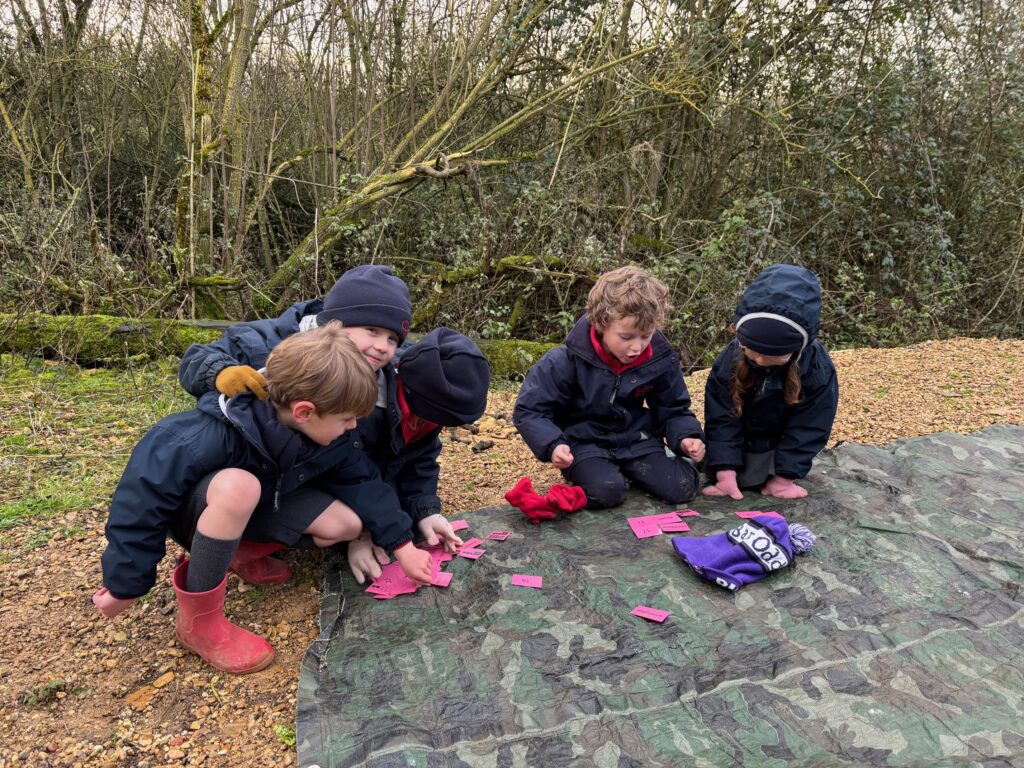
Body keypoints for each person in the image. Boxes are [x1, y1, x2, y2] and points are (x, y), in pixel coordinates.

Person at [92, 323, 434, 674]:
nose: (351, 428)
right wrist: (126, 582)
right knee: (239, 486)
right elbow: (141, 503)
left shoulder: (326, 432)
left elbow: (365, 484)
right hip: (200, 514)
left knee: (345, 523)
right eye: (347, 419)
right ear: (304, 411)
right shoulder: (200, 436)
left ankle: (235, 551)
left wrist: (404, 546)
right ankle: (200, 624)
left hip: (260, 502)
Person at [177, 264, 484, 582]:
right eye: (373, 331)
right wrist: (221, 372)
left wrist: (423, 511)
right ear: (336, 321)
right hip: (237, 474)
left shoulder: (389, 370)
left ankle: (249, 544)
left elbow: (369, 465)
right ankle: (226, 541)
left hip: (296, 478)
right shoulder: (271, 343)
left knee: (346, 519)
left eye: (392, 338)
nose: (382, 345)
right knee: (241, 491)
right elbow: (196, 359)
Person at [513, 266, 705, 508]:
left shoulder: (661, 357)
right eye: (626, 338)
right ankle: (603, 474)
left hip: (636, 438)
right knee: (606, 492)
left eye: (646, 336)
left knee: (682, 488)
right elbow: (530, 410)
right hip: (584, 442)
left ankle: (654, 465)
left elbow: (674, 408)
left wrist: (687, 437)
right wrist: (554, 445)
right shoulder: (562, 361)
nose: (637, 348)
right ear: (601, 324)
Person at [701, 264, 839, 500]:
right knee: (730, 473)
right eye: (752, 351)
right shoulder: (730, 359)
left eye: (774, 356)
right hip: (741, 441)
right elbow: (721, 417)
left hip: (778, 447)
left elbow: (810, 427)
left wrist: (784, 478)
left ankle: (780, 477)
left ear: (797, 349)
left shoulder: (817, 368)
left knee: (761, 478)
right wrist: (725, 472)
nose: (761, 361)